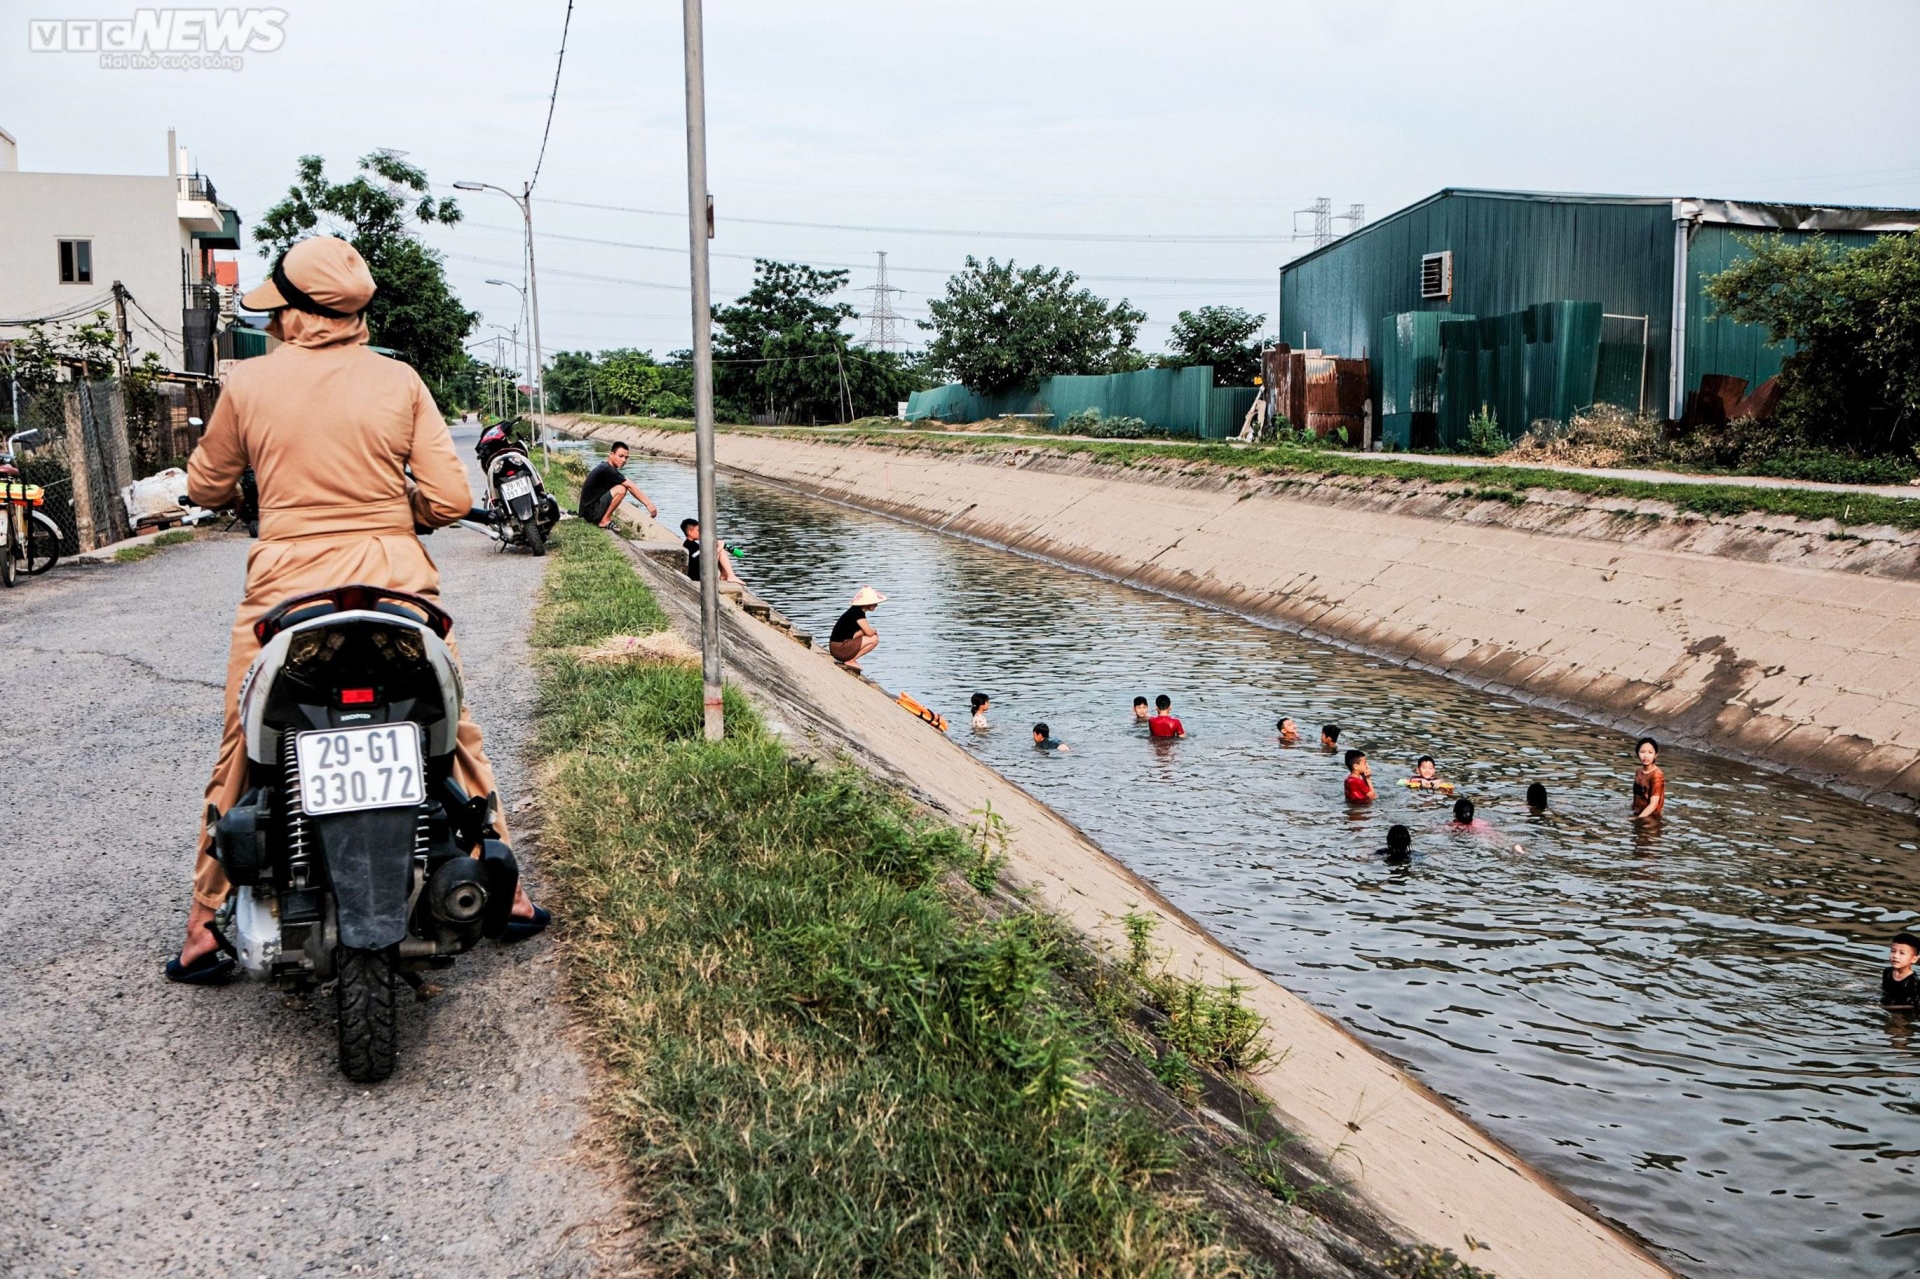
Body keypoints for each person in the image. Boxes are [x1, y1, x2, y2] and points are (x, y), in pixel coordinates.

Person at [171, 236, 544, 983]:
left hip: (284, 595)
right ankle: (512, 897)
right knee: (451, 729)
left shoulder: (247, 384)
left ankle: (204, 927)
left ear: (296, 313)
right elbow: (444, 499)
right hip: (396, 589)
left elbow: (205, 485)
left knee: (247, 741)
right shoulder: (400, 381)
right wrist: (393, 503)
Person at [577, 441, 659, 528]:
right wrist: (648, 504)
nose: (623, 460)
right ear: (611, 454)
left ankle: (604, 518)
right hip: (590, 514)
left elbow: (629, 483)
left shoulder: (606, 467)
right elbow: (630, 485)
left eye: (626, 457)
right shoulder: (608, 469)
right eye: (621, 456)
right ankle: (604, 520)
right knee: (621, 489)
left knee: (621, 486)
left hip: (588, 512)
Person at [829, 585, 885, 668]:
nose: (876, 605)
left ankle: (850, 659)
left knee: (867, 635)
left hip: (837, 647)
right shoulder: (858, 613)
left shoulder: (855, 611)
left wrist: (862, 632)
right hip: (839, 648)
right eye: (875, 603)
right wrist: (874, 630)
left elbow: (857, 634)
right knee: (874, 638)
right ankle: (851, 660)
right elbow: (869, 633)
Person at [679, 517, 738, 584]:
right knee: (721, 551)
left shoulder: (693, 545)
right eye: (698, 530)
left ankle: (725, 575)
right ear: (690, 532)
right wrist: (720, 547)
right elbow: (703, 558)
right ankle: (730, 576)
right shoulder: (689, 545)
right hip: (697, 576)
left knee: (720, 551)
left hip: (700, 570)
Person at [1632, 737, 1666, 819]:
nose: (1646, 756)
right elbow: (1637, 796)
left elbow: (1653, 804)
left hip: (1651, 818)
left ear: (1655, 755)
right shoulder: (1639, 771)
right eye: (1642, 752)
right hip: (1638, 813)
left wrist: (1638, 819)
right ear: (1637, 754)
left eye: (1650, 752)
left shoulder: (1656, 775)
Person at [1883, 933, 1919, 1009]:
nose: (1895, 956)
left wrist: (1882, 1007)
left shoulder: (1913, 983)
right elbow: (1884, 989)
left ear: (1914, 959)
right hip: (1887, 1003)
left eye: (1902, 953)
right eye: (1893, 951)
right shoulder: (1887, 972)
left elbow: (1913, 1005)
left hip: (1902, 1012)